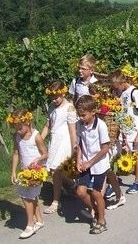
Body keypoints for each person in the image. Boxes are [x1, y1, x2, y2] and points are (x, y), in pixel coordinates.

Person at [9, 109, 48, 239]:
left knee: (27, 198)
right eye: (15, 128)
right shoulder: (17, 137)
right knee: (30, 196)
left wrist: (38, 159)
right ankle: (39, 220)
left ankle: (30, 225)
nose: (18, 130)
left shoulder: (36, 136)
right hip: (24, 171)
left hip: (36, 172)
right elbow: (16, 153)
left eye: (20, 127)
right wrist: (13, 171)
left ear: (28, 122)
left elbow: (45, 153)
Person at [40, 80, 78, 215]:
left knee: (56, 171)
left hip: (64, 141)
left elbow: (72, 130)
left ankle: (56, 201)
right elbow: (48, 126)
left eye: (56, 97)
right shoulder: (51, 107)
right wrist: (39, 139)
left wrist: (74, 147)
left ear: (63, 93)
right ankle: (72, 186)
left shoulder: (69, 108)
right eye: (52, 97)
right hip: (54, 141)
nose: (54, 100)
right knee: (54, 171)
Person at [75, 95, 111, 234]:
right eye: (79, 115)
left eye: (84, 115)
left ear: (93, 112)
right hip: (85, 162)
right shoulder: (80, 124)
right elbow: (79, 144)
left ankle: (102, 220)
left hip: (99, 164)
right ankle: (96, 211)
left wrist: (90, 162)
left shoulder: (100, 126)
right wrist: (79, 159)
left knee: (96, 193)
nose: (81, 118)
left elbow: (105, 148)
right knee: (80, 192)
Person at [109, 69, 138, 193]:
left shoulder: (134, 92)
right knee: (118, 154)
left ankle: (137, 182)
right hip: (123, 129)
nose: (116, 89)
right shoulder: (120, 92)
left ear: (122, 82)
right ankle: (114, 184)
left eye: (116, 86)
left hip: (134, 130)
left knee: (135, 155)